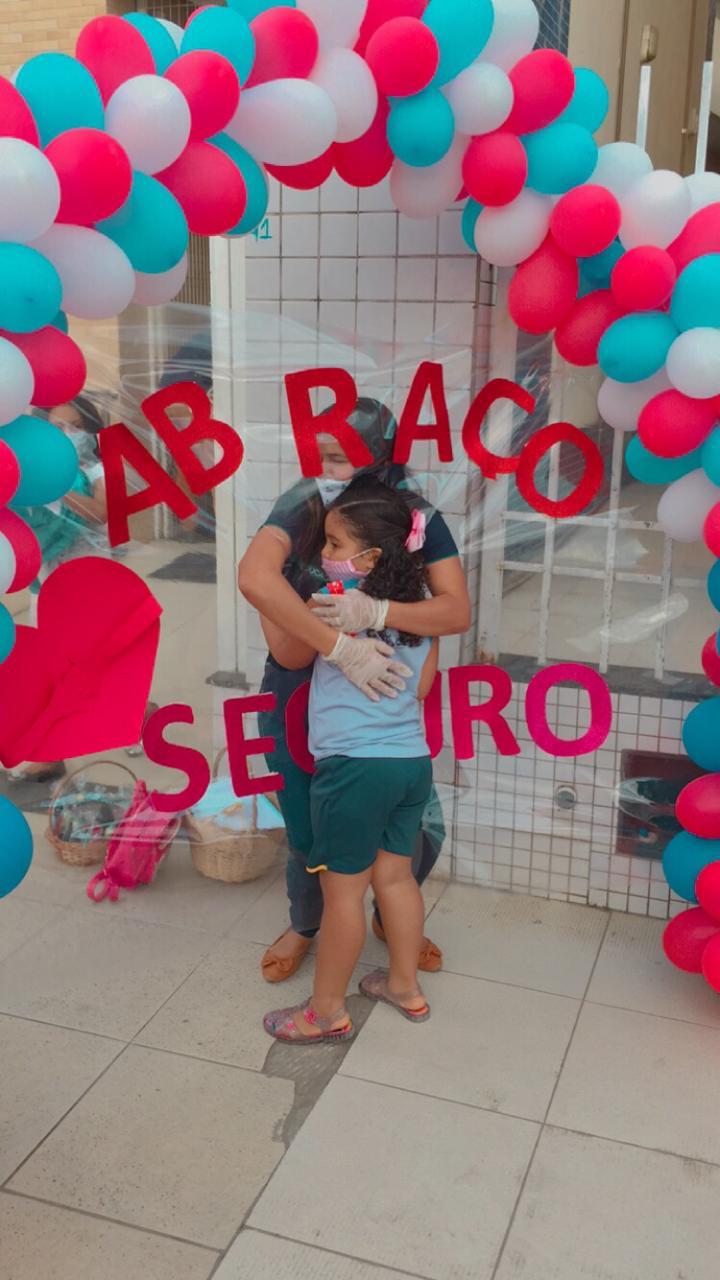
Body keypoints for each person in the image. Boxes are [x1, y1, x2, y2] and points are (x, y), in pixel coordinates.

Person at [238, 397, 470, 982]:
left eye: (340, 458)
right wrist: (337, 644)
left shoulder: (414, 515)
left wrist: (379, 613)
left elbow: (454, 610)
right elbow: (256, 578)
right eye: (321, 455)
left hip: (388, 692)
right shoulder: (304, 501)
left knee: (409, 823)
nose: (327, 470)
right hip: (301, 690)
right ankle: (306, 923)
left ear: (379, 455)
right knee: (305, 818)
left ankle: (394, 917)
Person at [264, 479, 437, 1041]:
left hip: (354, 770)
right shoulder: (420, 611)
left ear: (370, 558)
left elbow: (288, 652)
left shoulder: (333, 604)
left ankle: (325, 1012)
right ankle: (404, 986)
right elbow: (422, 688)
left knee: (343, 895)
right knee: (396, 879)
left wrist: (278, 601)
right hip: (411, 764)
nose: (324, 554)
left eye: (335, 544)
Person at [8, 395, 109, 784]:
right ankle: (51, 754)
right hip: (46, 582)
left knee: (81, 670)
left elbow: (101, 512)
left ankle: (140, 715)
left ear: (89, 432)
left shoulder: (97, 468)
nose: (65, 434)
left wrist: (57, 484)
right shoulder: (33, 469)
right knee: (54, 670)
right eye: (56, 427)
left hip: (86, 586)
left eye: (73, 427)